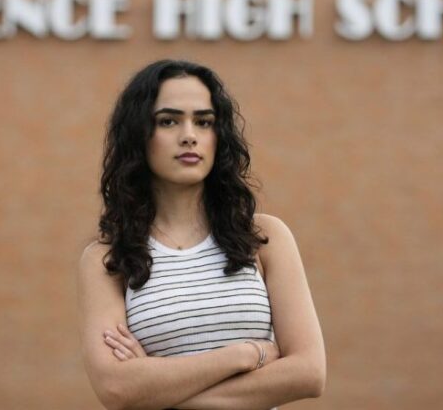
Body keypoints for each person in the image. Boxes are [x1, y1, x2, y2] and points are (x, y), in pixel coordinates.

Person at [78, 59, 326, 410]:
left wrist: (157, 387)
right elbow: (117, 389)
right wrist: (245, 354)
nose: (189, 134)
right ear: (139, 136)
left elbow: (308, 373)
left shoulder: (265, 237)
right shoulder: (108, 258)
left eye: (204, 121)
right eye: (168, 121)